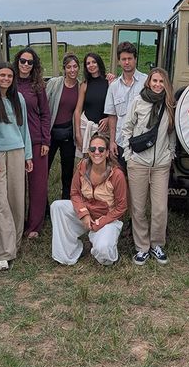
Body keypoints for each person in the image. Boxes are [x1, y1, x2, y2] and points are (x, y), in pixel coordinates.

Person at [121, 68, 176, 266]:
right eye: (154, 80)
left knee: (160, 208)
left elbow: (171, 133)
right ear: (148, 82)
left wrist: (170, 154)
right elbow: (126, 128)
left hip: (161, 164)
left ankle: (157, 244)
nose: (158, 84)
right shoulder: (138, 101)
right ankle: (142, 247)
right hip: (138, 163)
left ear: (165, 83)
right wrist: (129, 155)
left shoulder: (169, 105)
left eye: (161, 81)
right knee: (138, 208)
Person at [51, 132, 127, 266]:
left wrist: (101, 222)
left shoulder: (117, 175)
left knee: (104, 254)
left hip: (107, 219)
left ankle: (104, 245)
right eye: (93, 149)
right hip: (87, 212)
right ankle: (70, 252)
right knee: (57, 206)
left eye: (101, 149)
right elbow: (74, 193)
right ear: (89, 151)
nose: (97, 152)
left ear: (107, 152)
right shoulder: (82, 166)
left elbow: (121, 207)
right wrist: (84, 214)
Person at [0, 63, 33, 271]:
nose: (5, 79)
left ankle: (14, 243)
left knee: (16, 199)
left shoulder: (18, 98)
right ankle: (3, 253)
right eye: (2, 75)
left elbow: (24, 129)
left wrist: (28, 155)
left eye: (9, 76)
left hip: (17, 151)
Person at [14, 48, 51, 240]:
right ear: (17, 61)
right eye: (22, 61)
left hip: (36, 140)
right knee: (17, 186)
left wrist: (46, 140)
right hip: (14, 142)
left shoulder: (38, 86)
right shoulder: (9, 83)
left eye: (30, 62)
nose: (25, 65)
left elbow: (45, 114)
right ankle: (18, 223)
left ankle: (35, 225)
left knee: (37, 185)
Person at [104, 42, 147, 169]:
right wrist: (112, 141)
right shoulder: (114, 86)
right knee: (121, 181)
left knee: (139, 183)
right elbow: (112, 116)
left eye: (130, 59)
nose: (127, 62)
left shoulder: (146, 82)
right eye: (123, 59)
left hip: (141, 142)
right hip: (121, 142)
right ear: (119, 61)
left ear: (135, 60)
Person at [46, 53, 80, 201]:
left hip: (68, 134)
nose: (72, 70)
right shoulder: (54, 83)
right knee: (44, 170)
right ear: (64, 69)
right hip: (51, 133)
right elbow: (44, 107)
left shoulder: (81, 86)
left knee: (67, 171)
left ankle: (66, 202)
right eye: (69, 67)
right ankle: (43, 205)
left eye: (75, 66)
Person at [73, 53, 110, 156]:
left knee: (104, 161)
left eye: (94, 62)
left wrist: (108, 119)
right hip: (87, 129)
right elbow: (78, 110)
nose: (91, 65)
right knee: (87, 161)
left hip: (105, 131)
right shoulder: (84, 85)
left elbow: (115, 108)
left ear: (99, 63)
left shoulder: (109, 82)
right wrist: (78, 134)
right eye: (88, 63)